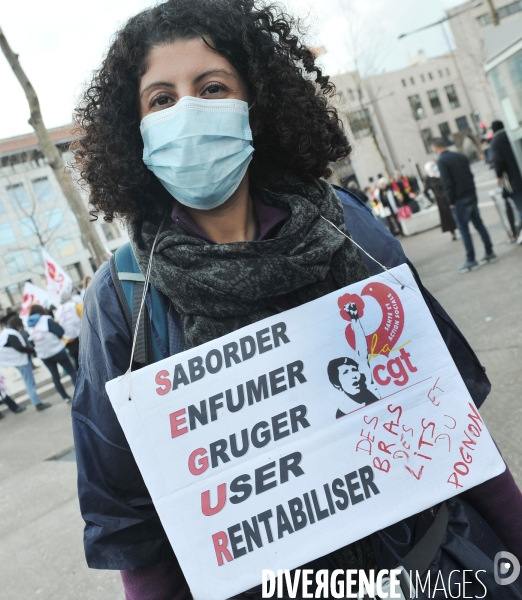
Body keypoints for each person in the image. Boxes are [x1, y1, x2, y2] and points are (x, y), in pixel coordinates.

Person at [71, 2, 522, 598]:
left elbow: (448, 419)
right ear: (135, 129)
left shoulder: (346, 229)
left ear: (253, 104)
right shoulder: (123, 300)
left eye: (211, 88)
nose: (188, 112)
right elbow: (133, 527)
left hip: (438, 571)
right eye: (161, 99)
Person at [432, 137, 497, 274]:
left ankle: (471, 259)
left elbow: (447, 183)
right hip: (470, 195)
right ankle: (489, 251)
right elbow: (470, 175)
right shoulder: (460, 156)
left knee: (464, 230)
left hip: (459, 200)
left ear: (435, 147)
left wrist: (450, 202)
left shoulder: (442, 162)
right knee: (479, 224)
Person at [327, 301, 379, 417]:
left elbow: (361, 351)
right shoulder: (342, 414)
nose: (355, 375)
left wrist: (354, 319)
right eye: (346, 372)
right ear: (337, 384)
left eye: (354, 369)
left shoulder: (368, 385)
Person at [27, 305, 77, 403]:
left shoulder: (29, 325)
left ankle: (66, 398)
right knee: (71, 371)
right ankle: (80, 393)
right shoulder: (46, 319)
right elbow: (60, 332)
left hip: (44, 355)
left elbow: (31, 342)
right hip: (57, 350)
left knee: (55, 376)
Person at [0, 319, 50, 411]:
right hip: (21, 361)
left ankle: (36, 402)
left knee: (29, 382)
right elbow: (19, 348)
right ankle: (37, 403)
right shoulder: (11, 334)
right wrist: (33, 350)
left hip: (17, 361)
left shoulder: (7, 332)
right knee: (30, 383)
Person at [489, 120, 522, 244]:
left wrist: (499, 176)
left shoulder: (495, 143)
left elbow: (498, 162)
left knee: (520, 206)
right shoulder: (512, 135)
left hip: (513, 180)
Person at [423, 160, 457, 240]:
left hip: (449, 197)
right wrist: (432, 200)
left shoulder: (441, 173)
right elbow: (425, 191)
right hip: (441, 201)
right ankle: (453, 232)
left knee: (456, 214)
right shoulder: (429, 178)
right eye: (432, 167)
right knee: (448, 218)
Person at [54, 291, 82, 368]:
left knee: (77, 361)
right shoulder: (76, 305)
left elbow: (57, 325)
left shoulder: (58, 312)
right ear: (69, 298)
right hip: (81, 336)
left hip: (68, 340)